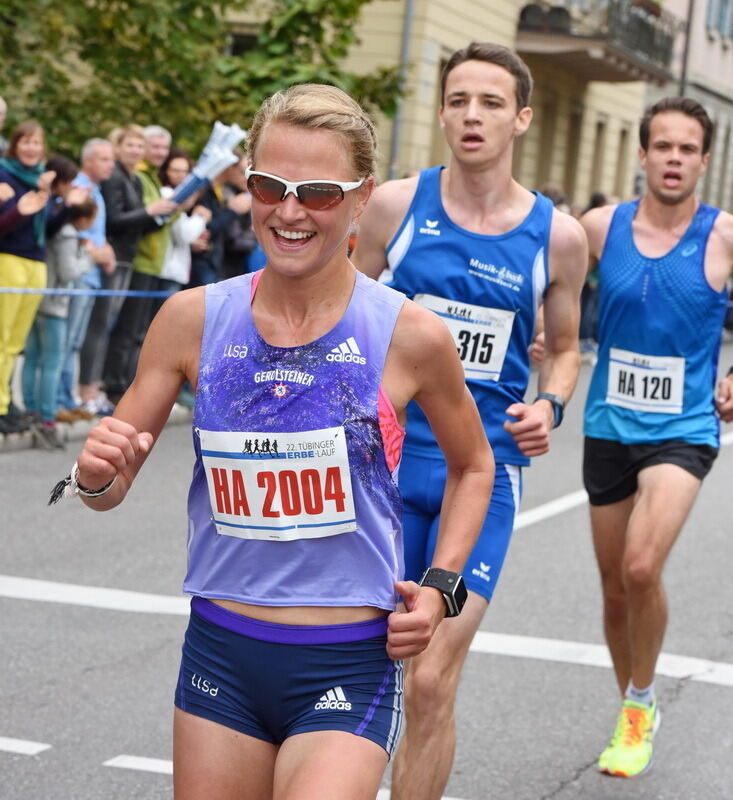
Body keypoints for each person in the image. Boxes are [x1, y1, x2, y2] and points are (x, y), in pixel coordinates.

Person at [56, 83, 495, 799]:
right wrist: (97, 470)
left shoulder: (409, 334)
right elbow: (102, 489)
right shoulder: (192, 318)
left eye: (318, 192)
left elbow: (473, 465)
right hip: (220, 656)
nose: (289, 212)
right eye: (269, 185)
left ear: (360, 200)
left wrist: (442, 586)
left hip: (347, 663)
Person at [353, 42, 587, 800]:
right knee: (357, 668)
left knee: (428, 681)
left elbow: (565, 351)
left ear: (520, 117)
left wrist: (547, 405)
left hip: (479, 485)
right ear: (443, 111)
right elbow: (341, 325)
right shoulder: (392, 207)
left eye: (490, 101)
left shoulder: (556, 237)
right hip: (377, 475)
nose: (471, 115)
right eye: (457, 99)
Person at [580, 96, 733, 778]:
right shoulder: (595, 227)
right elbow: (547, 289)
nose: (673, 158)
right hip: (606, 423)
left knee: (642, 566)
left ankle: (640, 703)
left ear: (703, 160)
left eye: (686, 148)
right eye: (661, 146)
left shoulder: (722, 235)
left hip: (683, 426)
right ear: (642, 155)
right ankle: (631, 705)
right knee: (615, 589)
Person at [0, 121, 83, 435]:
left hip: (35, 262)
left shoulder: (38, 182)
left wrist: (65, 210)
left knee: (15, 342)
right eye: (26, 141)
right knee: (2, 338)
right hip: (8, 259)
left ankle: (7, 404)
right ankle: (2, 406)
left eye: (37, 143)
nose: (31, 148)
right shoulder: (4, 174)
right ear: (15, 144)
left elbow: (45, 231)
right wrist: (19, 211)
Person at [22, 195, 98, 448]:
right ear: (85, 218)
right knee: (52, 361)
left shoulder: (58, 229)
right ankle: (46, 419)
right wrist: (88, 256)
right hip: (54, 306)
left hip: (39, 300)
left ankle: (31, 409)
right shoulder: (67, 234)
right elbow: (68, 271)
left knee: (33, 358)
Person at [57, 139, 116, 418]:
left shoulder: (97, 191)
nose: (110, 165)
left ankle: (67, 398)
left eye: (111, 159)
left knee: (77, 339)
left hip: (92, 274)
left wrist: (106, 251)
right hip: (79, 272)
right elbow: (71, 225)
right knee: (67, 338)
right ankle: (60, 397)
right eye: (104, 159)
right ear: (88, 160)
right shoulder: (79, 188)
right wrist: (93, 249)